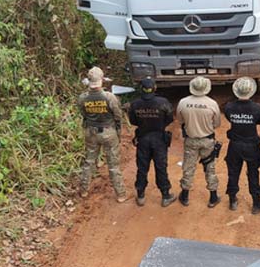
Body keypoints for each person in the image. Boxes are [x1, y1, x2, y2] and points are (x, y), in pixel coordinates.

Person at [77, 67, 128, 201]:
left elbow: (83, 114)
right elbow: (118, 115)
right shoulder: (109, 97)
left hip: (91, 132)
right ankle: (121, 194)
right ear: (101, 80)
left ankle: (84, 190)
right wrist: (118, 131)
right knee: (113, 164)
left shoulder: (83, 97)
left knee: (89, 161)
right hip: (108, 131)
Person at [128, 77, 177, 207]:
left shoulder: (135, 104)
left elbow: (133, 121)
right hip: (159, 139)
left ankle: (140, 195)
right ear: (154, 88)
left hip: (143, 138)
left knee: (142, 167)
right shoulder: (163, 102)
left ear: (141, 89)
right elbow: (170, 118)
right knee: (161, 167)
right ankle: (165, 195)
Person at [176, 76, 222, 207]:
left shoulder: (183, 102)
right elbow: (217, 124)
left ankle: (185, 195)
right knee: (210, 168)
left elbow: (180, 121)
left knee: (188, 167)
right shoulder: (212, 103)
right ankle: (213, 197)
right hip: (207, 140)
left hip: (190, 140)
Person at [224, 77, 260, 214]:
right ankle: (255, 203)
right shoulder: (257, 108)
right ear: (251, 91)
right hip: (251, 146)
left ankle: (232, 201)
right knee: (253, 173)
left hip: (234, 145)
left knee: (233, 172)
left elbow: (228, 117)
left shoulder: (229, 107)